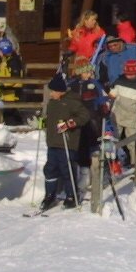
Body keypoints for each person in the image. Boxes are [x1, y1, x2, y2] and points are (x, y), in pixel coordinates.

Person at [39, 78, 90, 209]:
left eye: (53, 91)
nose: (50, 94)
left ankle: (71, 195)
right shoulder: (52, 103)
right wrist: (42, 122)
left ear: (60, 91)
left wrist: (69, 124)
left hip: (67, 142)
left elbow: (85, 116)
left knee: (67, 169)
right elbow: (51, 120)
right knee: (50, 169)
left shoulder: (72, 102)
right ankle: (49, 195)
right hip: (52, 142)